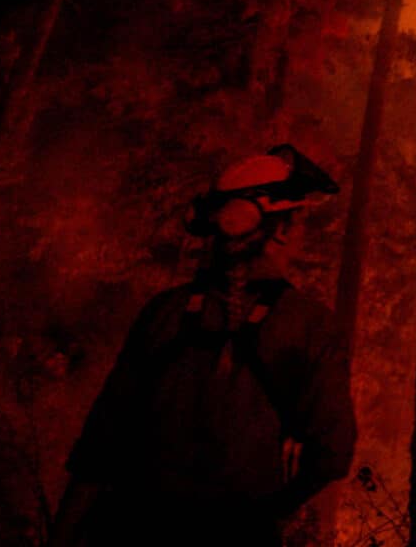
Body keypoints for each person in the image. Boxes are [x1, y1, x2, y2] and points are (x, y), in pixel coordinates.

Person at [48, 145, 354, 547]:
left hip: (128, 527)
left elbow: (100, 444)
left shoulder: (164, 312)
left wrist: (63, 534)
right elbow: (333, 451)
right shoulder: (310, 325)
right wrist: (271, 510)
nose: (300, 235)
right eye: (298, 223)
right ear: (280, 228)